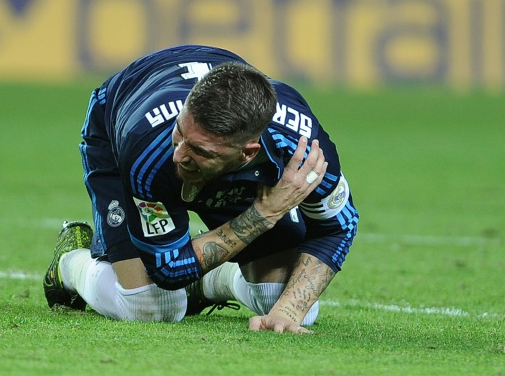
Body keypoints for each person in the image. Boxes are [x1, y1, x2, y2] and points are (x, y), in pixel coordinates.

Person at [43, 45, 359, 333]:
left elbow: (338, 225)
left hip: (232, 171)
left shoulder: (298, 147)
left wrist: (287, 312)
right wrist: (263, 214)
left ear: (248, 152)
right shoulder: (150, 150)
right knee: (151, 306)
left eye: (199, 149)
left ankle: (206, 283)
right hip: (116, 123)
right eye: (179, 133)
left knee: (295, 307)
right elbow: (167, 268)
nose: (179, 154)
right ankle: (70, 262)